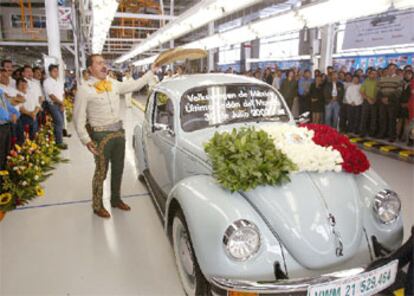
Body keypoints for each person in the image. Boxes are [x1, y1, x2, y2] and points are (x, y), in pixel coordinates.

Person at [73, 54, 159, 219]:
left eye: (104, 62)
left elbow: (134, 85)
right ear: (90, 68)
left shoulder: (113, 84)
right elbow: (78, 118)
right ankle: (97, 205)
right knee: (101, 172)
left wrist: (151, 72)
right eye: (99, 63)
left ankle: (115, 199)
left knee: (119, 169)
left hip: (119, 132)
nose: (103, 65)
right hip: (100, 135)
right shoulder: (85, 89)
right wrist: (86, 139)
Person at [43, 64, 67, 149]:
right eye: (54, 71)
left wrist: (62, 103)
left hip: (60, 104)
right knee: (59, 122)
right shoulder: (47, 82)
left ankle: (59, 139)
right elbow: (51, 95)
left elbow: (62, 93)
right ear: (50, 72)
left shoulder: (59, 81)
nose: (56, 73)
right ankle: (59, 143)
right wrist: (61, 103)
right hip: (53, 104)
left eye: (57, 71)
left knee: (61, 122)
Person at [377, 64, 403, 142]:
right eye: (390, 69)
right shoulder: (382, 78)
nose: (391, 70)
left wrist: (389, 98)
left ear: (395, 70)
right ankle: (382, 134)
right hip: (382, 102)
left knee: (392, 119)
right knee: (382, 118)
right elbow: (378, 89)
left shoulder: (399, 79)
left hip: (393, 102)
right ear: (387, 70)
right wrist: (382, 98)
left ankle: (392, 136)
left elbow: (399, 90)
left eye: (393, 69)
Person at [15, 78, 41, 143]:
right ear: (17, 86)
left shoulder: (31, 93)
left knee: (35, 134)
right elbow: (20, 108)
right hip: (23, 116)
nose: (23, 86)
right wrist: (31, 114)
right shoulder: (16, 95)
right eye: (21, 85)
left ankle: (34, 146)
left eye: (25, 84)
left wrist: (34, 113)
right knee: (26, 136)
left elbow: (38, 105)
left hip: (34, 115)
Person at [0, 88, 19, 171]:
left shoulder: (1, 91)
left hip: (6, 125)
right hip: (1, 125)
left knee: (6, 152)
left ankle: (4, 176)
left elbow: (7, 106)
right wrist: (9, 117)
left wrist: (15, 113)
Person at [359, 70, 379, 137]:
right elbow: (361, 92)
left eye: (375, 74)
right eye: (372, 74)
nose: (374, 75)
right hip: (366, 101)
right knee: (364, 117)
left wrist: (375, 99)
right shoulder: (365, 81)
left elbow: (379, 92)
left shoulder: (378, 82)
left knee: (374, 118)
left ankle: (372, 132)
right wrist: (368, 99)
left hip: (375, 101)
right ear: (369, 74)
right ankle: (362, 132)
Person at [397, 70, 412, 141]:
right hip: (400, 104)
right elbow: (399, 93)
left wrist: (407, 104)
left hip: (409, 105)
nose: (407, 75)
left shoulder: (412, 84)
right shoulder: (402, 83)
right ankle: (397, 135)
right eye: (406, 74)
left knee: (407, 121)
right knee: (400, 120)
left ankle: (405, 136)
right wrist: (400, 103)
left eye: (409, 74)